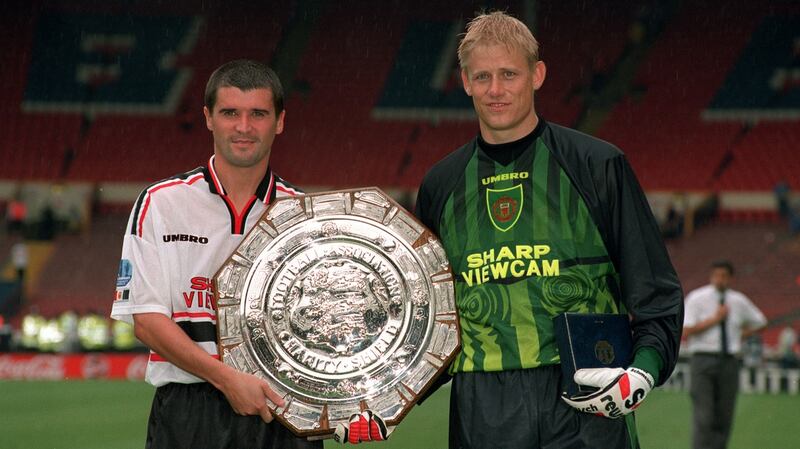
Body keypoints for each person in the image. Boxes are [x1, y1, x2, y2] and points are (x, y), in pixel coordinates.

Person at [414, 12, 683, 448]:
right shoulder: (440, 185)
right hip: (483, 407)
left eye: (509, 74)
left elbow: (655, 290)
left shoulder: (598, 165)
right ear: (465, 81)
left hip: (588, 394)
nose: (496, 90)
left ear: (537, 75)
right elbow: (425, 317)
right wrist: (376, 399)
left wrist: (644, 371)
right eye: (482, 76)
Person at [110, 59, 320, 449]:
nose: (243, 127)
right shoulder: (161, 203)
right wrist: (227, 379)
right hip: (189, 412)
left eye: (258, 114)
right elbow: (148, 322)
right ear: (208, 118)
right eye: (230, 113)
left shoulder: (306, 216)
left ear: (280, 121)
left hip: (285, 413)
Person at [683, 260, 766, 449]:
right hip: (702, 359)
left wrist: (740, 334)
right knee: (704, 416)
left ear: (730, 278)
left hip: (729, 361)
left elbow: (761, 322)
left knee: (724, 416)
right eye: (716, 275)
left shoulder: (738, 300)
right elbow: (686, 330)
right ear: (711, 276)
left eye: (724, 276)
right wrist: (715, 319)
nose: (720, 280)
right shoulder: (697, 298)